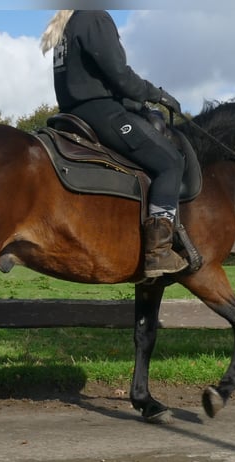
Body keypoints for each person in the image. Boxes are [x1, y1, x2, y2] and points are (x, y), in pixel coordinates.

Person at [41, 10, 188, 278]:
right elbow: (119, 75)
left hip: (73, 111)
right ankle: (159, 251)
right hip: (101, 113)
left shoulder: (69, 21)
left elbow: (92, 77)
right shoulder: (94, 17)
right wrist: (158, 95)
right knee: (170, 162)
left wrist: (136, 103)